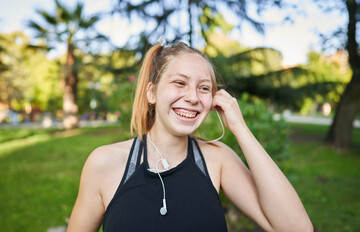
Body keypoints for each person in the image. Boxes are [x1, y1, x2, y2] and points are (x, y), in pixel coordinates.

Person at [67, 38, 313, 232]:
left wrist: (240, 129)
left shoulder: (218, 161)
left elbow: (296, 228)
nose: (193, 97)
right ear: (152, 93)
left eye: (204, 88)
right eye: (180, 83)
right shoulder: (104, 164)